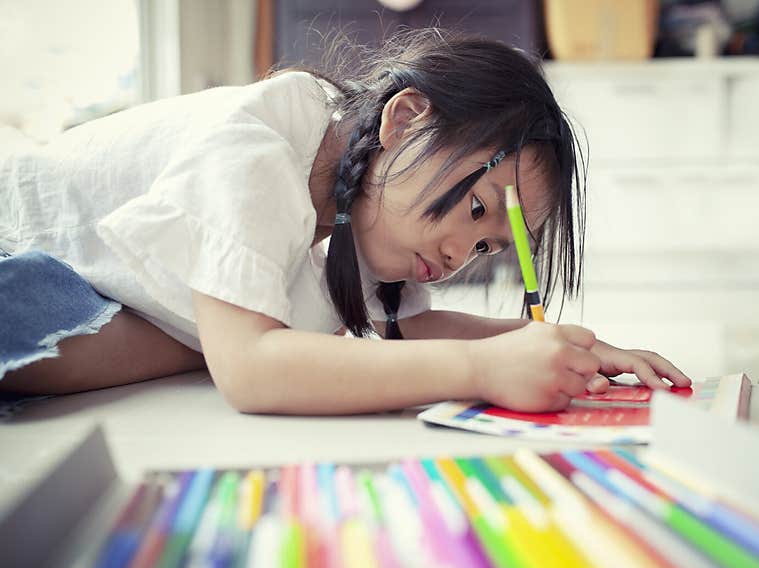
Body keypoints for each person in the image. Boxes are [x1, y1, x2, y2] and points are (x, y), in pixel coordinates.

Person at [0, 29, 690, 415]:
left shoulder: (359, 216)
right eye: (478, 208)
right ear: (404, 118)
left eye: (487, 246)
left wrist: (567, 347)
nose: (463, 252)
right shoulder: (260, 147)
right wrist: (483, 364)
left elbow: (404, 326)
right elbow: (251, 371)